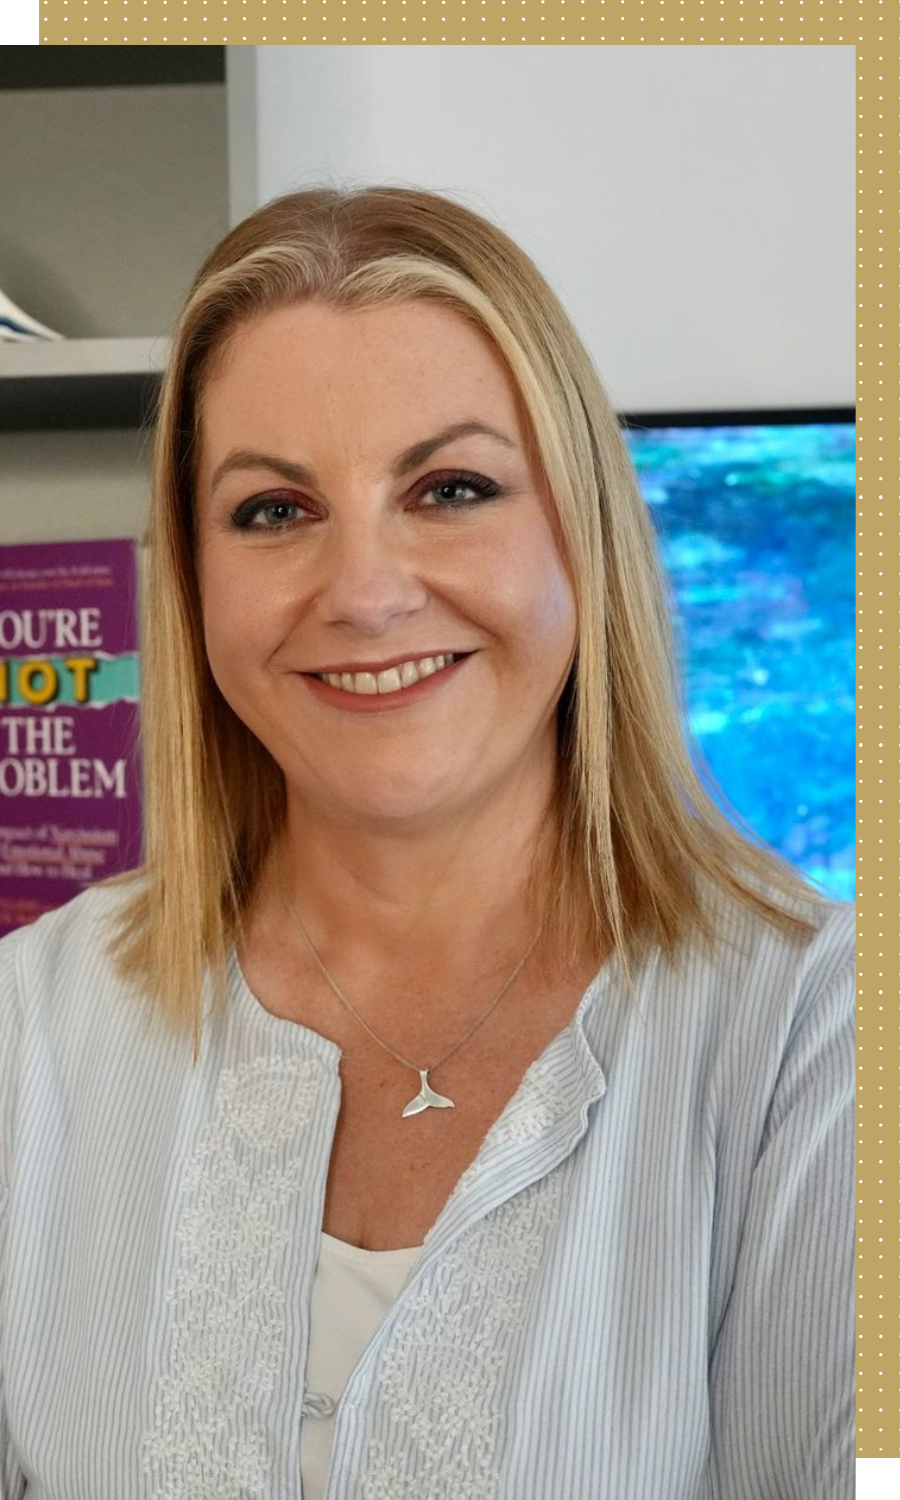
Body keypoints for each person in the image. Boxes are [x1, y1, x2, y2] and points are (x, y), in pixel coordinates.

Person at [0, 184, 854, 1500]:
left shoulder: (826, 1032)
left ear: (583, 533)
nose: (365, 591)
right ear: (191, 575)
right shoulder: (31, 1024)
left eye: (451, 488)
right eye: (273, 511)